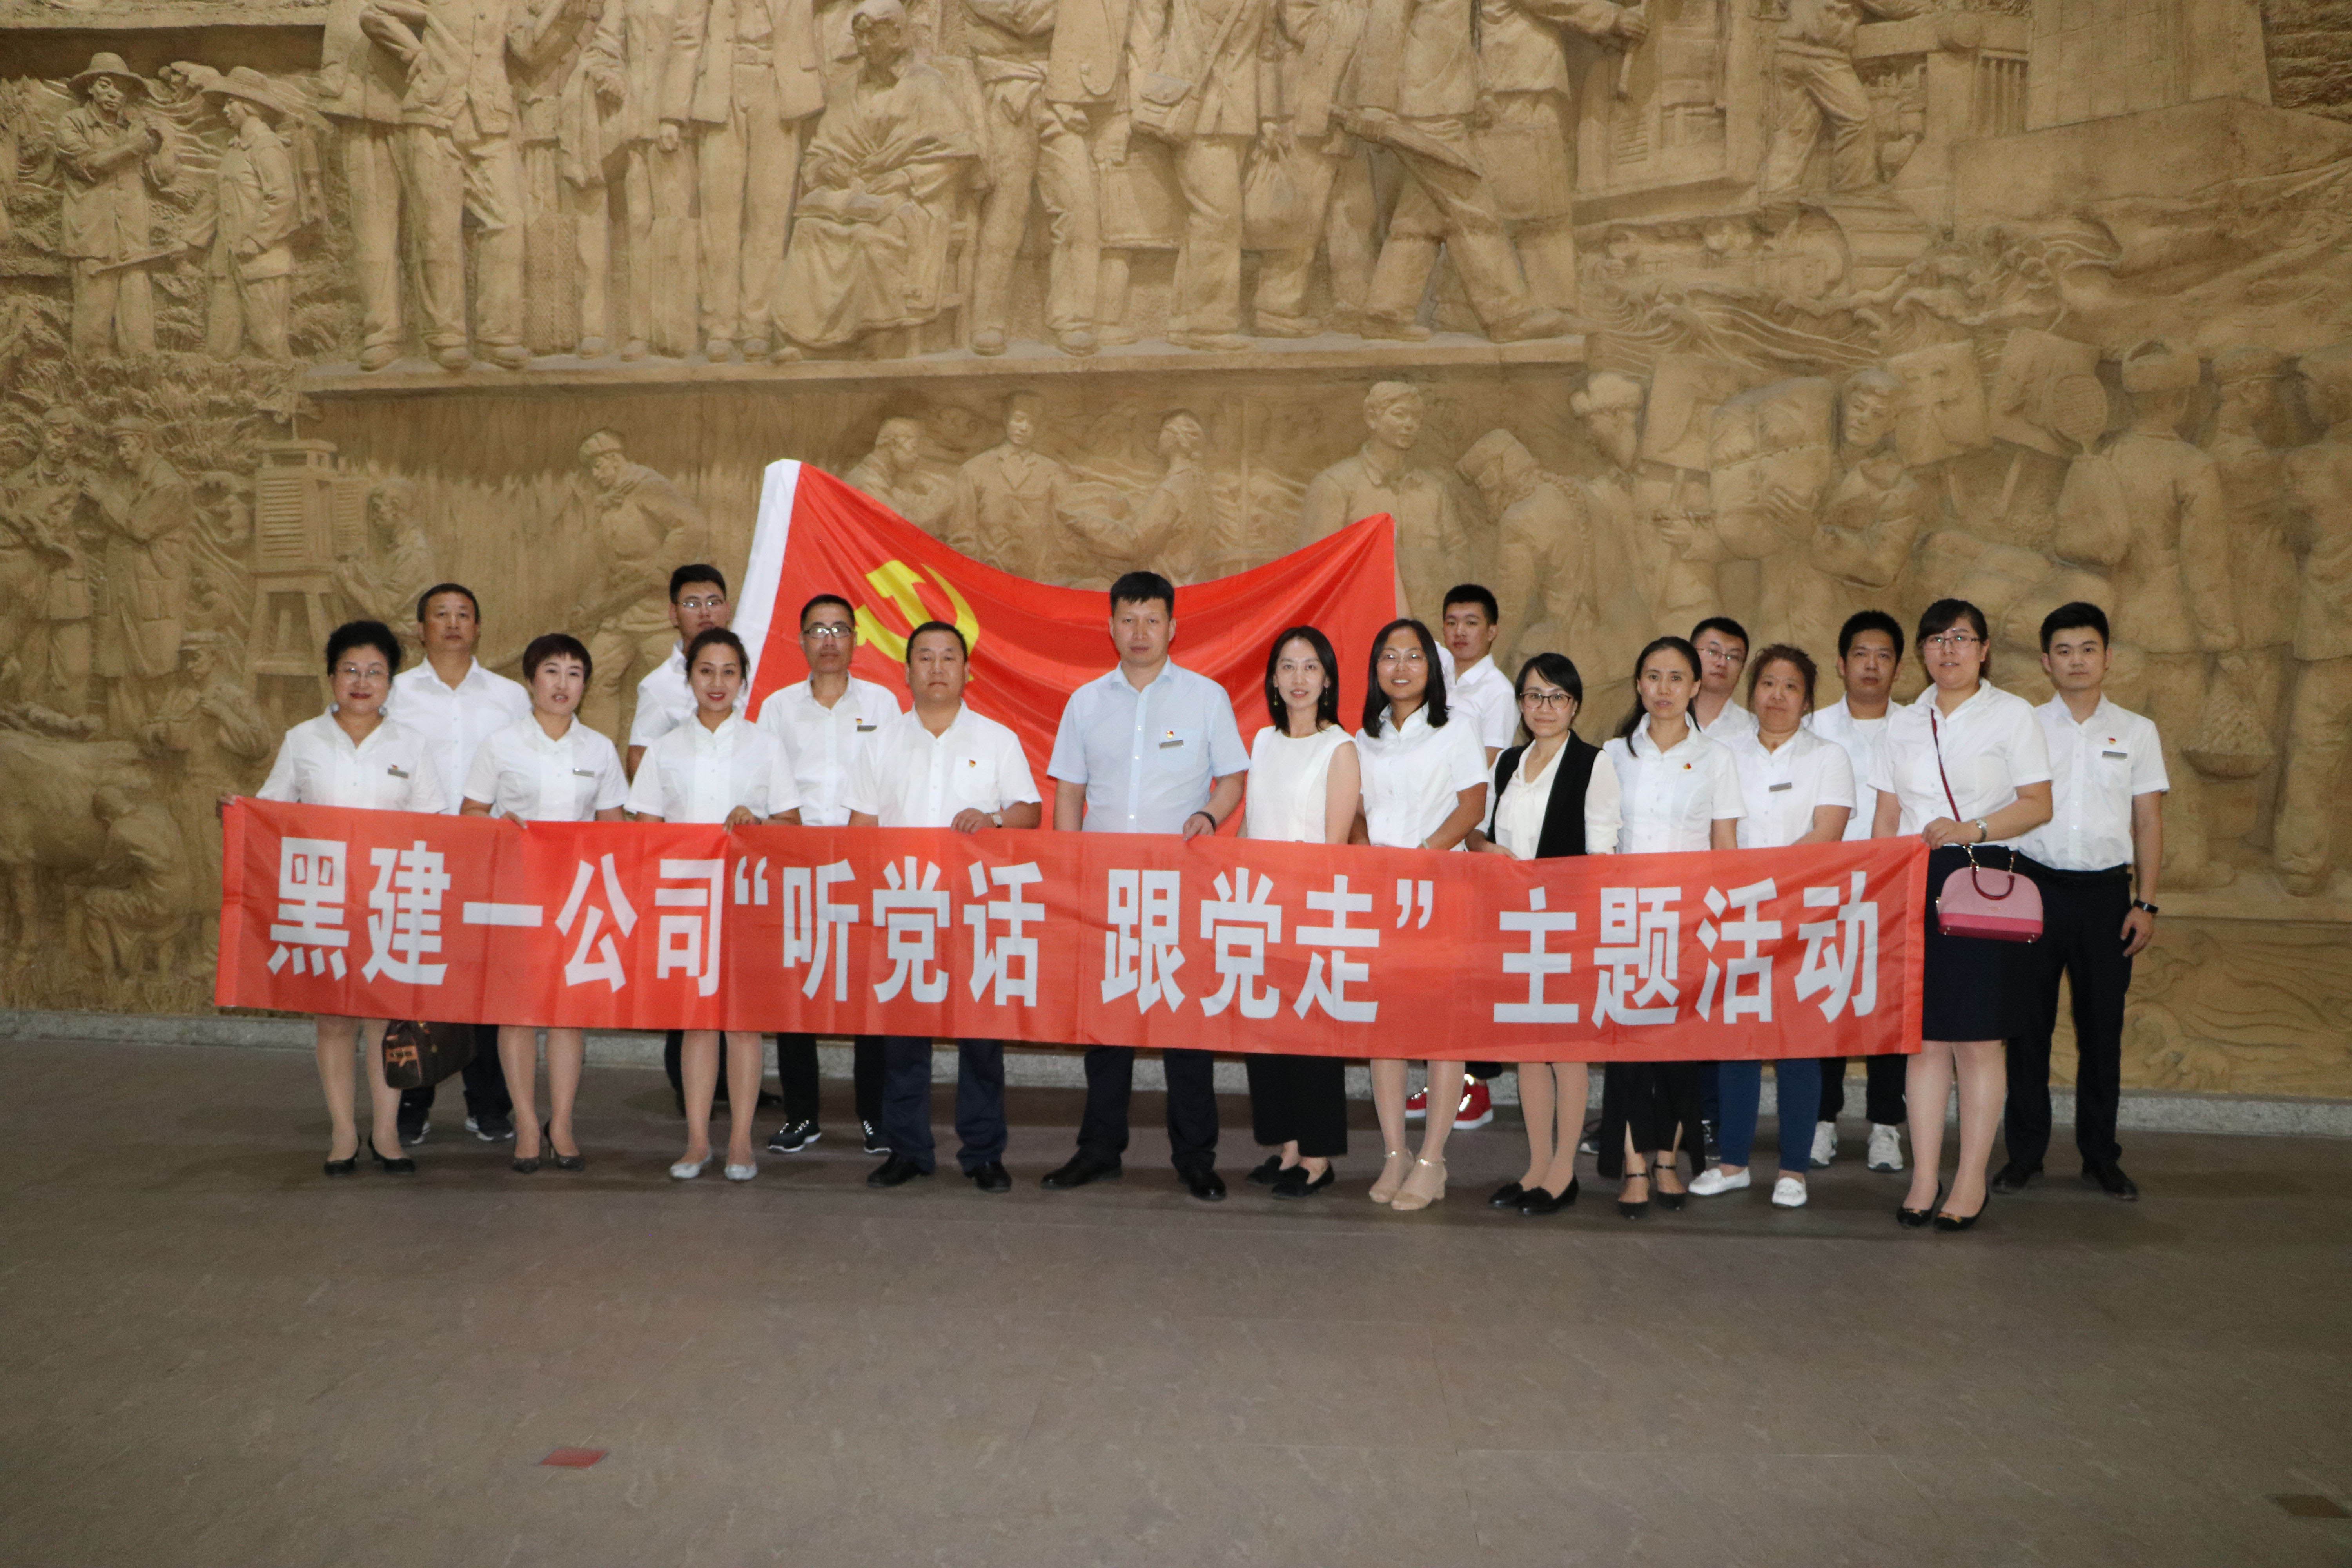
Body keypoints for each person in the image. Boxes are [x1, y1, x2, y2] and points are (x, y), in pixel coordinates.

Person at [1043, 571, 1249, 1201]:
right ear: (1111, 626)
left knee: (1187, 1027)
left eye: (1152, 620)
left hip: (1180, 885)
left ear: (1172, 627)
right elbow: (1070, 793)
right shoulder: (1085, 702)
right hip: (1103, 887)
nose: (1140, 632)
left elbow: (1233, 779)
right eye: (1128, 620)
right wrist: (1069, 869)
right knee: (1106, 1027)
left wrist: (1209, 816)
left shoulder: (1206, 698)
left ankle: (1196, 1157)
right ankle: (1099, 1149)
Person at [1870, 599, 2053, 1232]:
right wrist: (1883, 892)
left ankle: (1972, 1178)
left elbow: (2038, 804)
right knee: (1923, 1040)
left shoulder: (2013, 714)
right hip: (1914, 881)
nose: (1948, 650)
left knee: (1977, 1040)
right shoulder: (1902, 722)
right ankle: (1925, 1176)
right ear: (1922, 652)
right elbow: (1887, 815)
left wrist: (1970, 828)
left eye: (1961, 638)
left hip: (1984, 879)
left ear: (1984, 650)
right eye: (1936, 639)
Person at [250, 621, 449, 1176]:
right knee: (335, 1021)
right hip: (324, 901)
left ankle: (386, 1132)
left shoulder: (411, 744)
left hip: (390, 899)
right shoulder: (303, 739)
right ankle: (342, 1132)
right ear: (332, 676)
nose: (362, 682)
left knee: (386, 1020)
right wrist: (239, 813)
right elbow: (271, 810)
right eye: (351, 670)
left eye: (375, 672)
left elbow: (434, 823)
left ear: (391, 682)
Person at [849, 621, 1043, 1191]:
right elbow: (861, 828)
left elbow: (1030, 812)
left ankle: (983, 1152)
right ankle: (908, 1149)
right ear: (908, 671)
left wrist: (995, 819)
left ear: (966, 670)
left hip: (975, 910)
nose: (937, 668)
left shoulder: (997, 739)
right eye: (926, 658)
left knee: (981, 1039)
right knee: (903, 1041)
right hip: (903, 909)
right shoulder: (880, 742)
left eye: (949, 657)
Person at [1998, 603, 2166, 1201]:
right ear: (2046, 661)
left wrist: (2146, 904)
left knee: (2102, 1031)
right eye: (2064, 651)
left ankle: (2101, 1157)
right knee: (2027, 1030)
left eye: (2088, 649)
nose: (2077, 661)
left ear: (2107, 657)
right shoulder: (2023, 726)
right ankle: (2025, 1155)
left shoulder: (2138, 731)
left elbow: (2148, 822)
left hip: (2105, 898)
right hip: (2034, 889)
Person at [626, 628, 801, 1182]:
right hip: (685, 904)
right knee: (696, 1022)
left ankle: (742, 1142)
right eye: (706, 671)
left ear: (743, 680)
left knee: (744, 1025)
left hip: (749, 904)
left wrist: (759, 822)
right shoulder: (665, 749)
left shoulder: (765, 746)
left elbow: (792, 825)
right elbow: (646, 831)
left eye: (729, 672)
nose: (717, 682)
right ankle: (697, 1141)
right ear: (690, 678)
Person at [459, 633, 628, 1173]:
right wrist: (497, 825)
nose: (563, 684)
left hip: (576, 897)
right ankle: (528, 1124)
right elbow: (470, 813)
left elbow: (615, 829)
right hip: (516, 895)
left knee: (566, 1014)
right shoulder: (501, 744)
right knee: (517, 1013)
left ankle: (563, 1124)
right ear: (531, 680)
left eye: (575, 674)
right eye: (552, 671)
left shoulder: (599, 749)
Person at [1693, 645, 1852, 1209]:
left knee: (1798, 1043)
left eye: (1790, 687)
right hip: (1739, 912)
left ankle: (1793, 1170)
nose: (1777, 696)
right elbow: (1721, 831)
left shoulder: (1828, 756)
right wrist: (1744, 887)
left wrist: (1770, 884)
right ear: (1752, 691)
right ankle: (1733, 1163)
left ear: (1807, 701)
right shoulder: (1724, 753)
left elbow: (1827, 831)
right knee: (1738, 1040)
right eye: (1767, 684)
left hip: (1803, 914)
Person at [1465, 652, 1620, 1215]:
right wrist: (1486, 850)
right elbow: (1475, 830)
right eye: (1533, 695)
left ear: (1575, 705)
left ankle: (1563, 1173)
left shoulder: (1593, 763)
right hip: (1512, 925)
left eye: (1557, 697)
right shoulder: (1507, 762)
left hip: (1567, 926)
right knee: (1527, 1048)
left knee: (1564, 1049)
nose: (1544, 707)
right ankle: (1535, 1165)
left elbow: (1602, 854)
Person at [1596, 636, 1744, 1218]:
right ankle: (1634, 1165)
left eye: (1677, 678)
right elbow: (1601, 842)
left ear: (1695, 686)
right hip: (1626, 921)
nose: (1664, 689)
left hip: (1690, 923)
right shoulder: (1613, 755)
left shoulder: (1717, 758)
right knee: (1629, 1051)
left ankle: (1668, 1161)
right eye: (1654, 677)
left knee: (1681, 1049)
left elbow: (1725, 846)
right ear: (1639, 685)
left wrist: (1723, 922)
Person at [755, 593, 902, 1158]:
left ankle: (875, 1116)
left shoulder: (884, 703)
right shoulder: (777, 708)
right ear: (801, 641)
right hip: (797, 866)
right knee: (797, 993)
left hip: (867, 865)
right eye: (818, 630)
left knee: (869, 994)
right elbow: (765, 783)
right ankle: (802, 1116)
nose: (829, 640)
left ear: (856, 640)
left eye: (840, 629)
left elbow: (895, 780)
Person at [386, 581, 530, 1145]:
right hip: (414, 854)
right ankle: (412, 1100)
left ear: (478, 627)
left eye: (463, 614)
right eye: (440, 615)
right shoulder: (395, 692)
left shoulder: (508, 696)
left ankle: (487, 1103)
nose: (452, 623)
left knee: (486, 980)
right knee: (418, 981)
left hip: (489, 857)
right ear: (420, 629)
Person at [1353, 618, 1489, 1210]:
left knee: (1441, 1027)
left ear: (1431, 669)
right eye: (1390, 656)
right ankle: (1395, 1153)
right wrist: (1368, 853)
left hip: (1442, 889)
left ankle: (1433, 1160)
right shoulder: (1364, 737)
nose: (1401, 667)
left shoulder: (1456, 727)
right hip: (1382, 895)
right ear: (1376, 669)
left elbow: (1472, 804)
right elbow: (1356, 810)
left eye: (1413, 656)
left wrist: (1424, 855)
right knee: (1386, 1028)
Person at [1240, 627, 1362, 1199]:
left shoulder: (1340, 748)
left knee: (1311, 1036)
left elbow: (1335, 845)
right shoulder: (1263, 741)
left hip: (1311, 910)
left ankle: (1317, 1155)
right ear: (1273, 679)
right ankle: (1287, 1146)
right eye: (1287, 666)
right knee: (1267, 1032)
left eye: (1310, 666)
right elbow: (1250, 823)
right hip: (1258, 908)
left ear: (1328, 679)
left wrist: (1297, 894)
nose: (1298, 678)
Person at [624, 564, 746, 1114]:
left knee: (737, 978)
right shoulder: (659, 685)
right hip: (686, 858)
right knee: (688, 975)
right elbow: (640, 759)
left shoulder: (745, 666)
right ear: (673, 613)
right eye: (692, 603)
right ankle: (690, 1086)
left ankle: (731, 1081)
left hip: (739, 856)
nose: (705, 612)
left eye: (714, 601)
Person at [1808, 608, 1908, 1173]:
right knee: (1828, 1003)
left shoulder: (1918, 727)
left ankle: (1885, 1126)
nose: (1872, 665)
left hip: (1896, 887)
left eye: (1884, 656)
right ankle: (1822, 1120)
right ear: (1842, 664)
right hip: (1827, 887)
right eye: (1861, 655)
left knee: (1889, 1008)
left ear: (1899, 667)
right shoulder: (1814, 726)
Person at [1431, 583, 1518, 1129]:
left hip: (1467, 835)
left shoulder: (1497, 692)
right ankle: (1443, 1079)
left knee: (1470, 972)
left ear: (1492, 631)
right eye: (1452, 622)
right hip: (1434, 836)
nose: (1460, 632)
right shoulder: (1436, 670)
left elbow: (1484, 773)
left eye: (1471, 622)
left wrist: (1466, 834)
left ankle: (1475, 1088)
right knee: (1438, 971)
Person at [1688, 615, 1758, 738]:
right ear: (1690, 656)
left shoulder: (1752, 729)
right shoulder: (1665, 716)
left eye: (1733, 657)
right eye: (1713, 652)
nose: (1722, 663)